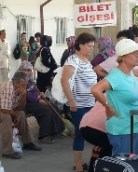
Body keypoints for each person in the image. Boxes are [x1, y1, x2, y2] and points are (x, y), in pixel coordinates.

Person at [90, 39, 138, 156]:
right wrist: (108, 107)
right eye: (134, 53)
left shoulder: (129, 73)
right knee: (123, 166)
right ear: (123, 57)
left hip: (132, 128)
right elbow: (95, 89)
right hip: (122, 130)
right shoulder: (116, 75)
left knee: (130, 165)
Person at [0, 72, 42, 159]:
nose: (25, 87)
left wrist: (24, 95)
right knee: (6, 117)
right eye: (23, 85)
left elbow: (20, 108)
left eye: (25, 85)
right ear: (16, 83)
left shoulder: (17, 89)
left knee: (21, 114)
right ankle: (7, 150)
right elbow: (5, 109)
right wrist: (15, 115)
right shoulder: (8, 88)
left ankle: (28, 142)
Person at [61, 32, 97, 172]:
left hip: (90, 103)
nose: (91, 49)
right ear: (80, 45)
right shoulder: (73, 60)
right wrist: (72, 101)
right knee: (80, 134)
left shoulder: (86, 61)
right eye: (89, 46)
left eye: (92, 46)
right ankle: (78, 165)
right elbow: (65, 81)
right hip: (79, 105)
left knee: (90, 133)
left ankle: (84, 161)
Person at [18, 61, 64, 144]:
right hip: (25, 104)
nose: (27, 72)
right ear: (21, 70)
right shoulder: (20, 80)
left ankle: (57, 130)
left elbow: (34, 91)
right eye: (25, 70)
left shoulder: (30, 81)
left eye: (29, 70)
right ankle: (44, 136)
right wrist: (38, 100)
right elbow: (26, 95)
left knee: (54, 106)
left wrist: (40, 94)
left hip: (34, 101)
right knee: (46, 110)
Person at [94, 30, 138, 95]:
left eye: (124, 42)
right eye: (119, 43)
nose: (137, 56)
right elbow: (95, 89)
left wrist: (129, 70)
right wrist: (115, 79)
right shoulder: (114, 60)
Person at [79, 99, 111, 172]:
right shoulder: (122, 95)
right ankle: (100, 168)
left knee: (100, 146)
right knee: (108, 148)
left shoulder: (104, 94)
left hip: (84, 124)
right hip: (99, 127)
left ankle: (93, 167)